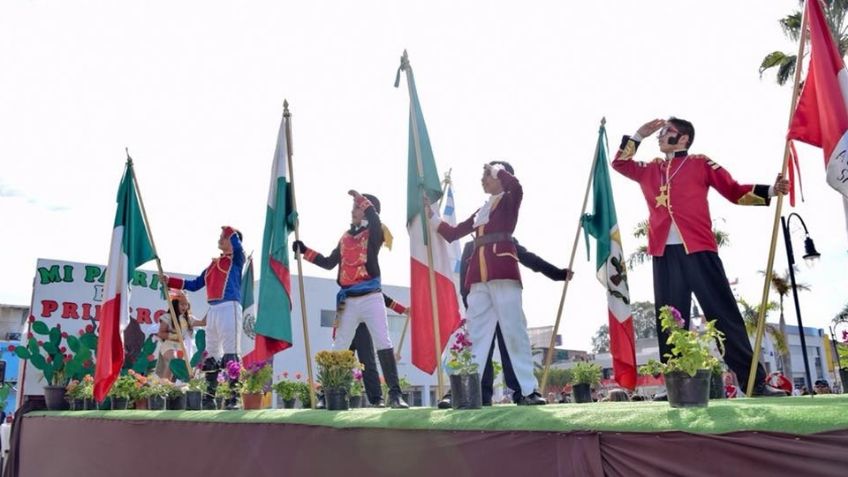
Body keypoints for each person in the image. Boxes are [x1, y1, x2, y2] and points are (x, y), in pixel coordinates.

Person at [612, 117, 789, 397]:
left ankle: (754, 383)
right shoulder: (651, 169)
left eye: (667, 132)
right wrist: (638, 135)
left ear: (683, 138)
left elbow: (734, 190)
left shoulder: (700, 163)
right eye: (660, 132)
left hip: (699, 249)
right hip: (664, 254)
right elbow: (619, 164)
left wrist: (770, 190)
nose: (660, 136)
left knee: (723, 315)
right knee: (670, 321)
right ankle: (677, 387)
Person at [430, 161, 545, 405]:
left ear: (500, 177)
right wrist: (431, 215)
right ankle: (462, 391)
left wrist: (496, 167)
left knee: (514, 332)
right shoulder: (482, 209)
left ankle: (527, 390)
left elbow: (517, 186)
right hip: (478, 277)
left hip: (502, 271)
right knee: (473, 335)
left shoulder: (510, 198)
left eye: (488, 175)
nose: (483, 179)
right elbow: (453, 233)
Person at [293, 191, 409, 408]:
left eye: (357, 207)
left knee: (383, 342)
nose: (352, 210)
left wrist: (362, 200)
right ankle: (327, 394)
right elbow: (329, 262)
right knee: (339, 347)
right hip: (348, 301)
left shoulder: (375, 233)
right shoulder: (345, 237)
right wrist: (305, 251)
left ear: (366, 210)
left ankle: (395, 394)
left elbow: (375, 219)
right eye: (354, 206)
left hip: (371, 298)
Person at [438, 239, 572, 408]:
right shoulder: (471, 246)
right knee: (477, 350)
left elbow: (530, 259)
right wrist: (469, 305)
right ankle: (476, 394)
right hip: (481, 306)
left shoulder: (506, 238)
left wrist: (558, 274)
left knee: (513, 346)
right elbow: (465, 281)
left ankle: (524, 393)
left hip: (505, 304)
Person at [163, 226, 245, 408]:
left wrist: (230, 231)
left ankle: (234, 398)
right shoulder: (212, 265)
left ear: (232, 241)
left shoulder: (237, 260)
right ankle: (209, 399)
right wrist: (170, 281)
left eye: (224, 237)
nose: (220, 239)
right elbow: (194, 284)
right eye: (221, 236)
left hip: (229, 306)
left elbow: (238, 248)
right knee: (211, 355)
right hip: (213, 310)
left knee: (231, 352)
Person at [155, 291, 204, 380]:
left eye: (186, 304)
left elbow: (203, 322)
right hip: (169, 345)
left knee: (177, 369)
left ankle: (168, 387)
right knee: (173, 361)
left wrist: (213, 308)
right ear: (175, 304)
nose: (184, 307)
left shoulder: (188, 318)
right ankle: (165, 387)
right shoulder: (168, 316)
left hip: (181, 347)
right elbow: (161, 333)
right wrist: (176, 337)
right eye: (182, 304)